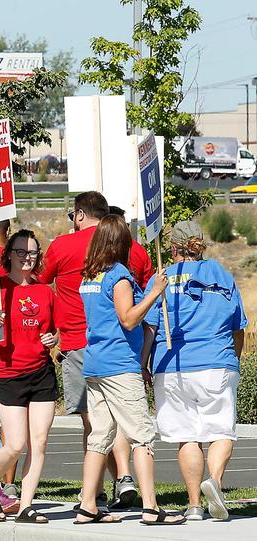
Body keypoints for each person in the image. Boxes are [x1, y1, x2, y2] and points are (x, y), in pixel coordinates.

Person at [42, 191, 153, 508]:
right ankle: (125, 487)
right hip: (121, 350)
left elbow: (37, 282)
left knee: (95, 427)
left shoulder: (66, 248)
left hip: (82, 346)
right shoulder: (132, 251)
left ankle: (99, 493)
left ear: (79, 214)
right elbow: (143, 301)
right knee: (121, 425)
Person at [76, 216, 182, 525]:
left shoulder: (89, 276)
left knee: (100, 436)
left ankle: (87, 506)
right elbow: (128, 319)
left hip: (95, 364)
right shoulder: (118, 276)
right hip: (120, 365)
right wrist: (153, 292)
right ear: (121, 243)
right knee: (142, 436)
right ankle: (151, 506)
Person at [144, 221, 246, 521]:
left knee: (186, 436)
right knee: (221, 430)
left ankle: (194, 505)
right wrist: (233, 359)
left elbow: (149, 329)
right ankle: (213, 481)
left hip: (171, 364)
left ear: (173, 248)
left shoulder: (161, 279)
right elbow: (238, 327)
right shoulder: (222, 275)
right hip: (216, 360)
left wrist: (143, 365)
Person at [0, 230, 58, 523]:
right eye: (21, 251)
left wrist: (51, 339)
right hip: (7, 373)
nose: (27, 257)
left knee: (40, 442)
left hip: (41, 372)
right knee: (15, 445)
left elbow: (53, 331)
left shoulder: (45, 291)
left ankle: (25, 506)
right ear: (9, 254)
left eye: (32, 252)